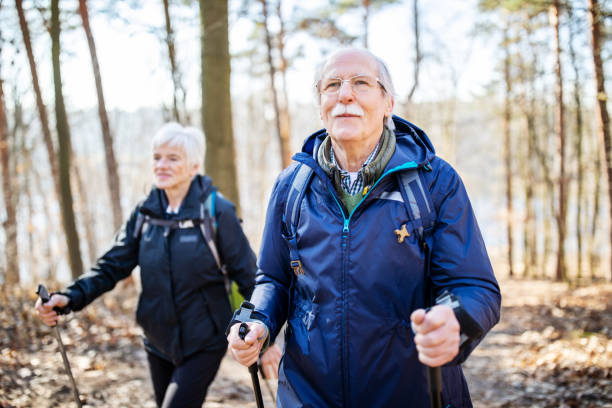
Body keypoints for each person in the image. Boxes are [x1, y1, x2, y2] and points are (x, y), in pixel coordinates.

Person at [227, 48, 501, 407]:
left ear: (388, 103)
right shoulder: (291, 187)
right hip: (307, 395)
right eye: (333, 85)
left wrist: (455, 321)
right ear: (321, 104)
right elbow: (273, 280)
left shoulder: (434, 182)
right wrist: (257, 321)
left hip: (412, 393)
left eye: (361, 83)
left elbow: (474, 286)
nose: (345, 94)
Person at [35, 123, 280, 408]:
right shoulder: (145, 213)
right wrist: (70, 297)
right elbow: (112, 266)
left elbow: (251, 277)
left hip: (204, 342)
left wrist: (264, 338)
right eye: (157, 157)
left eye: (173, 158)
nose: (161, 165)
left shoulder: (215, 212)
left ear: (193, 166)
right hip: (157, 342)